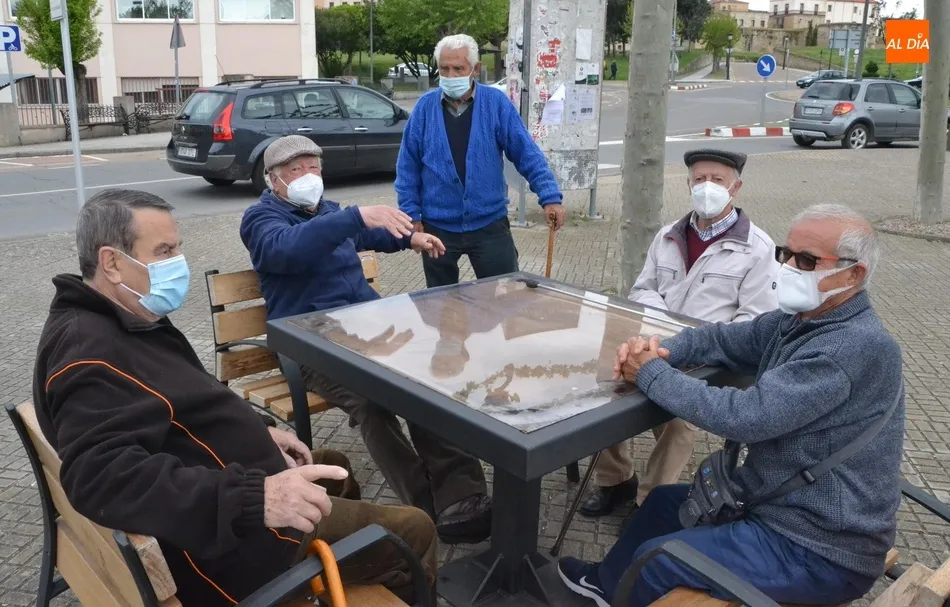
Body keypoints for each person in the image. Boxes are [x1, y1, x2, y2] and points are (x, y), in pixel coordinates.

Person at [32, 189, 437, 606]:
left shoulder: (119, 319)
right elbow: (98, 477)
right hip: (238, 546)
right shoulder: (90, 356)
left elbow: (187, 401)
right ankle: (344, 574)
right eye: (164, 251)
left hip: (231, 484)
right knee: (415, 529)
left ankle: (343, 575)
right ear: (112, 263)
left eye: (178, 248)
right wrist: (256, 498)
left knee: (336, 468)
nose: (179, 261)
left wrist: (259, 430)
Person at [558, 204, 904, 606]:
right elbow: (724, 339)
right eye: (786, 254)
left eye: (807, 260)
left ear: (853, 274)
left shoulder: (850, 347)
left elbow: (745, 417)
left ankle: (626, 593)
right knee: (663, 503)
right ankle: (606, 587)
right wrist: (662, 349)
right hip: (773, 504)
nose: (789, 267)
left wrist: (650, 372)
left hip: (818, 546)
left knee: (660, 559)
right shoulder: (802, 320)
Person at [240, 135, 494, 545]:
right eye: (295, 170)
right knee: (373, 403)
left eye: (313, 167)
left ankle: (462, 494)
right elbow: (286, 250)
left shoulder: (328, 212)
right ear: (273, 179)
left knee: (426, 379)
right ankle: (424, 506)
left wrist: (409, 238)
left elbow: (370, 234)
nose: (307, 176)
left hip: (369, 331)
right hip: (311, 344)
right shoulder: (262, 220)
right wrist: (355, 217)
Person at [580, 149, 779, 518]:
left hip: (711, 361)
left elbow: (753, 323)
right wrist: (660, 323)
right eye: (699, 179)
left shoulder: (757, 249)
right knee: (606, 385)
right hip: (656, 344)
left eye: (717, 180)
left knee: (678, 419)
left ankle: (650, 502)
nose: (707, 187)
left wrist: (698, 341)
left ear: (735, 187)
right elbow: (643, 289)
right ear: (688, 184)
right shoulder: (668, 236)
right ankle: (614, 479)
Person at [395, 33, 566, 289]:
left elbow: (526, 153)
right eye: (444, 69)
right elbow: (407, 167)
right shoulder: (424, 108)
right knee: (440, 303)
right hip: (438, 226)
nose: (450, 75)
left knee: (505, 295)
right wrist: (411, 215)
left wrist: (550, 196)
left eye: (458, 68)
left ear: (475, 69)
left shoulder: (496, 104)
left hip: (489, 223)